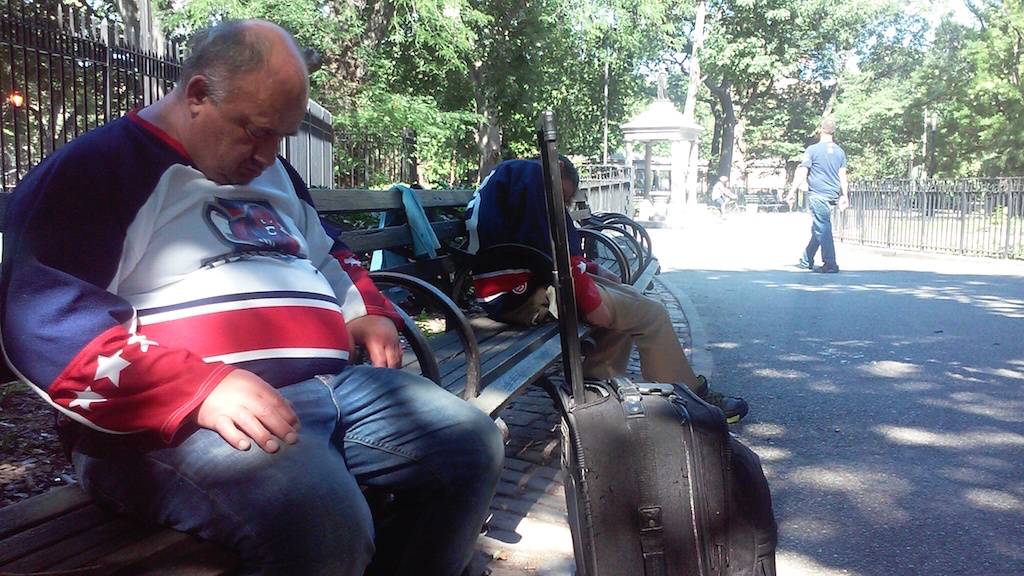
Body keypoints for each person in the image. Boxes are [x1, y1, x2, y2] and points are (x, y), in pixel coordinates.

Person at [0, 20, 502, 576]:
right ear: (196, 95)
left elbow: (327, 251)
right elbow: (46, 324)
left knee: (472, 445)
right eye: (257, 132)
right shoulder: (100, 169)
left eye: (282, 136)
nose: (269, 154)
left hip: (332, 392)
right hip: (174, 430)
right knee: (323, 521)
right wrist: (197, 388)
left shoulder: (274, 172)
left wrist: (366, 310)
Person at [464, 157, 749, 423]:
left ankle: (594, 398)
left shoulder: (515, 173)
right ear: (559, 168)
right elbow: (553, 246)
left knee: (632, 304)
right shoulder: (536, 174)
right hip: (521, 296)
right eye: (562, 198)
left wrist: (593, 269)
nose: (562, 205)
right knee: (651, 315)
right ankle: (688, 402)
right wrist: (589, 297)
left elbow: (539, 243)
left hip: (516, 287)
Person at [787, 117, 849, 273]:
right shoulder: (840, 152)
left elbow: (803, 171)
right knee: (819, 226)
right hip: (832, 196)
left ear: (821, 129)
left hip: (818, 194)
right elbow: (843, 176)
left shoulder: (812, 150)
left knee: (823, 227)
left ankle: (830, 263)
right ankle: (806, 259)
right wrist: (844, 196)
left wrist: (791, 191)